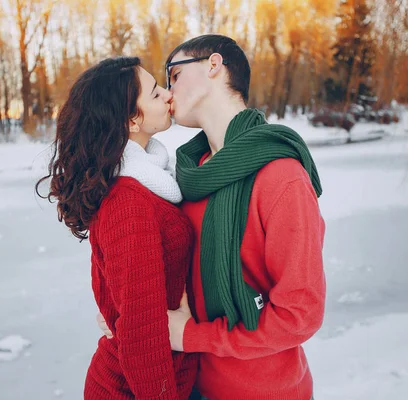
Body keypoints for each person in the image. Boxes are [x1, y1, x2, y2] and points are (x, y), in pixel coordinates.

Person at [99, 34, 326, 400]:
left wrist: (192, 336)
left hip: (263, 391)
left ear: (214, 66)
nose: (168, 93)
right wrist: (120, 314)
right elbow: (161, 271)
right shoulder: (186, 178)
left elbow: (300, 314)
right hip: (190, 383)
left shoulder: (281, 177)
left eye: (173, 75)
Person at [37, 56, 198, 399]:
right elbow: (142, 330)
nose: (169, 96)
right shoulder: (128, 201)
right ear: (130, 119)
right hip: (130, 389)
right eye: (156, 94)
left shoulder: (147, 180)